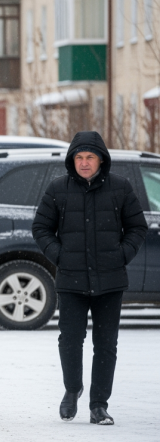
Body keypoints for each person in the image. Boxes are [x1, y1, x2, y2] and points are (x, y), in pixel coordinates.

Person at [32, 131, 147, 426]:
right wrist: (60, 255)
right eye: (79, 158)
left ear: (101, 160)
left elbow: (137, 227)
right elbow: (41, 228)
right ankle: (72, 390)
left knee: (106, 344)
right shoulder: (58, 189)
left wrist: (122, 254)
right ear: (72, 160)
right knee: (70, 340)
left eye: (90, 157)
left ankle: (99, 405)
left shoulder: (121, 188)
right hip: (71, 279)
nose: (84, 163)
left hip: (110, 280)